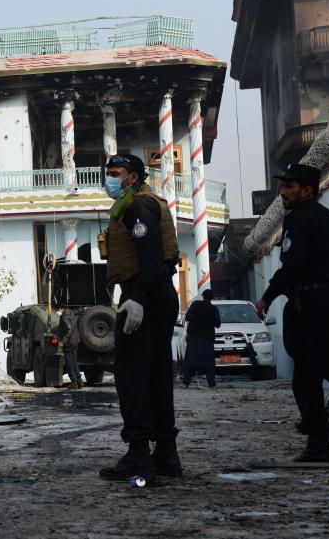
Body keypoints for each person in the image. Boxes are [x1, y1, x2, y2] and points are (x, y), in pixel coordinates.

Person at [255, 162, 329, 462]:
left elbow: (293, 267)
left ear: (308, 190)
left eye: (289, 187)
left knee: (307, 376)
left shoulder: (297, 221)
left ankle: (318, 444)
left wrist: (267, 297)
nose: (283, 193)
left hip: (310, 308)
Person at [99, 154, 182, 481]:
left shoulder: (139, 207)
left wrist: (135, 298)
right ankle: (166, 455)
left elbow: (150, 259)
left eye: (115, 174)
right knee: (157, 376)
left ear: (133, 177)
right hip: (155, 294)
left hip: (144, 295)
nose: (110, 180)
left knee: (133, 378)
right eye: (108, 174)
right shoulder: (138, 204)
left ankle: (138, 455)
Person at [180, 290, 221, 388]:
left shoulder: (195, 304)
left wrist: (196, 318)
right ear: (212, 298)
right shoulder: (214, 309)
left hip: (194, 338)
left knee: (190, 360)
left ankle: (186, 383)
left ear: (202, 296)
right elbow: (218, 324)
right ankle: (211, 383)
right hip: (207, 339)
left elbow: (187, 317)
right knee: (209, 362)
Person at [58, 308, 82, 389]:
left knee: (69, 363)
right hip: (75, 341)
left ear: (60, 308)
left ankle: (74, 382)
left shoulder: (64, 316)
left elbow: (69, 329)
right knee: (74, 362)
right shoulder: (71, 312)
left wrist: (62, 341)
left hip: (68, 343)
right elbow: (78, 311)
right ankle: (79, 380)